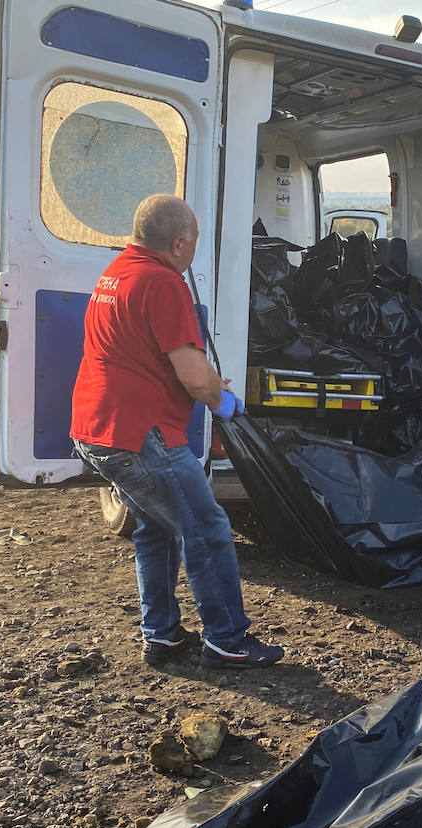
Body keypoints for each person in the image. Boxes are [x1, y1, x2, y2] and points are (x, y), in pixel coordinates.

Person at [70, 194, 284, 670]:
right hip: (140, 434)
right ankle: (228, 640)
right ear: (180, 242)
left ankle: (162, 635)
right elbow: (192, 376)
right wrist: (222, 399)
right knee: (206, 530)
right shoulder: (162, 282)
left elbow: (145, 352)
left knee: (155, 527)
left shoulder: (117, 273)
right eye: (196, 243)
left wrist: (203, 380)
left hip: (98, 428)